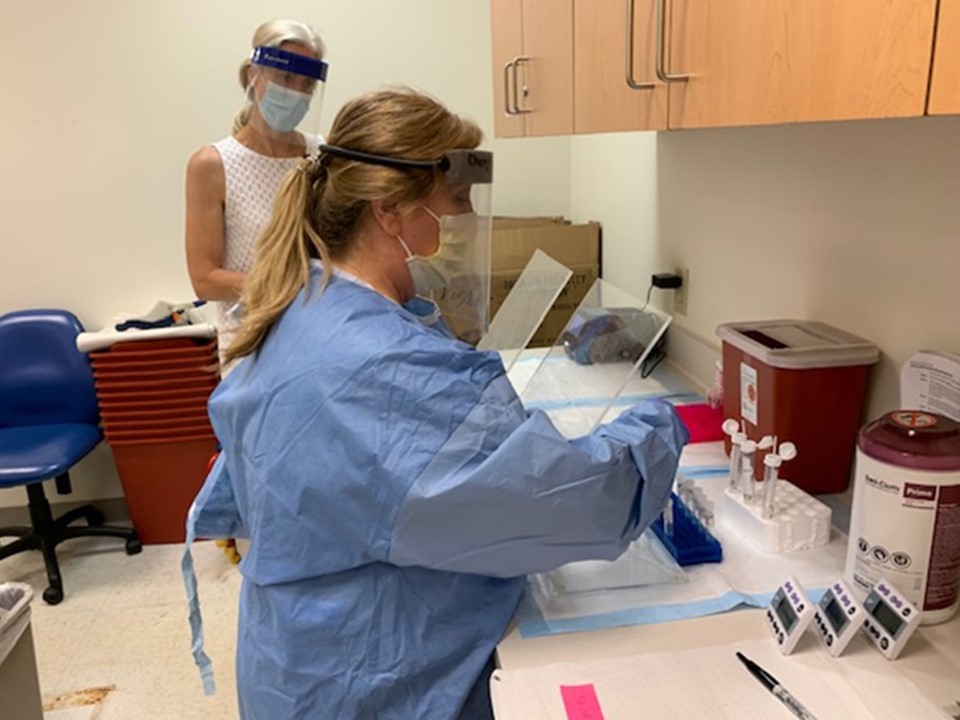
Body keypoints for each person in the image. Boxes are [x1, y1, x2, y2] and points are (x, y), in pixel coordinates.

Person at [184, 87, 689, 720]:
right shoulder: (381, 364)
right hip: (369, 679)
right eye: (457, 201)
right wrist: (660, 429)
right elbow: (565, 506)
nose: (468, 219)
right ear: (390, 210)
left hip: (301, 657)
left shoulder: (306, 299)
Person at [184, 19, 328, 374]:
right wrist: (291, 285)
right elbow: (205, 278)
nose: (295, 92)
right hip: (252, 349)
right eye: (285, 78)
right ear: (254, 74)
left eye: (306, 84)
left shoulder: (322, 155)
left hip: (319, 338)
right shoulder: (213, 165)